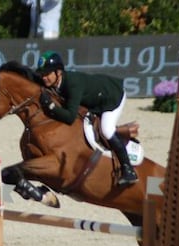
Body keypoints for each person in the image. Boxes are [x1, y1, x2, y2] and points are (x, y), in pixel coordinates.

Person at [36, 51, 138, 186]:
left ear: (58, 72)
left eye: (47, 73)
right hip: (96, 98)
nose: (44, 78)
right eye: (42, 74)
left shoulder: (72, 84)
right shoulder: (56, 80)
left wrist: (50, 106)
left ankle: (128, 170)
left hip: (112, 96)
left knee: (106, 130)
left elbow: (70, 117)